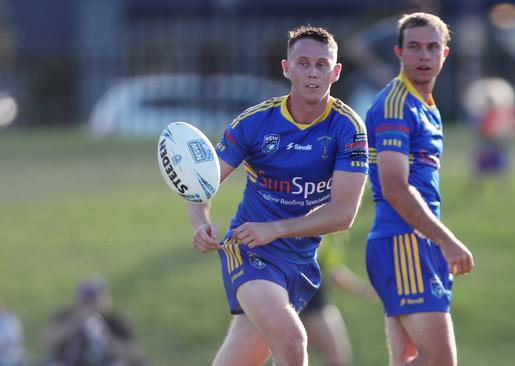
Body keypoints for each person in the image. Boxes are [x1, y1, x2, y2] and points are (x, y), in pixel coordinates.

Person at [187, 26, 368, 366]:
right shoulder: (255, 122)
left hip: (299, 259)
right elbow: (201, 184)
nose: (312, 72)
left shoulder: (348, 127)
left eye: (321, 64)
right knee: (293, 341)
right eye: (303, 63)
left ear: (336, 71)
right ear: (287, 68)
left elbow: (343, 213)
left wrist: (277, 228)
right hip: (248, 249)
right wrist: (201, 222)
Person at [363, 13, 475, 366]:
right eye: (414, 47)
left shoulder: (425, 105)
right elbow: (395, 187)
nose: (424, 56)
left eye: (432, 48)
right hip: (403, 241)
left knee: (407, 360)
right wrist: (445, 239)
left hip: (414, 242)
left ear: (445, 54)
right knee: (440, 361)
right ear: (399, 52)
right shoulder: (396, 105)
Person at [299, 232, 375, 366]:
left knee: (336, 357)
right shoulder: (309, 222)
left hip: (314, 298)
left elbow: (332, 271)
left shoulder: (335, 235)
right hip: (296, 296)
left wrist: (363, 289)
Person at [42, 277, 147, 366]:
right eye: (85, 299)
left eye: (94, 299)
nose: (89, 304)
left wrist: (107, 337)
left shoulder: (113, 320)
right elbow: (46, 340)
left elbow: (134, 352)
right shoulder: (68, 316)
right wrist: (73, 323)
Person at [462, 77, 515, 194]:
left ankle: (503, 187)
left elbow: (513, 128)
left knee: (502, 166)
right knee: (479, 167)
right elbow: (478, 130)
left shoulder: (502, 114)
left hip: (499, 145)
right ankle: (475, 187)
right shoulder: (481, 115)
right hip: (485, 146)